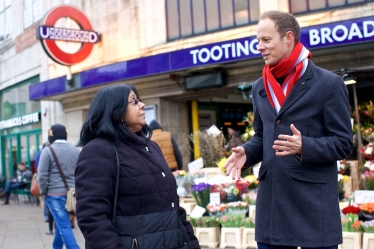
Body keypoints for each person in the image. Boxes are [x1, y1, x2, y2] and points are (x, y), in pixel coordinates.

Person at [224, 10, 353, 249]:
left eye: (266, 40)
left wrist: (305, 146)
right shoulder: (259, 87)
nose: (259, 47)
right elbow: (263, 136)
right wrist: (247, 152)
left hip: (313, 213)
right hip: (272, 214)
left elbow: (344, 143)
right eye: (257, 40)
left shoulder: (329, 84)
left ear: (288, 38)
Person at [75, 84, 200, 249]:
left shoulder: (152, 146)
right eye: (134, 102)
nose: (142, 105)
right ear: (115, 112)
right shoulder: (98, 150)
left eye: (139, 100)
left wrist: (191, 244)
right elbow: (92, 218)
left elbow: (174, 208)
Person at [37, 124, 80, 249]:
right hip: (72, 194)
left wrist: (43, 193)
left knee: (64, 226)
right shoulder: (75, 150)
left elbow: (42, 175)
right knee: (61, 224)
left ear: (52, 135)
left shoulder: (48, 150)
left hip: (54, 194)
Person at [35, 141, 51, 223]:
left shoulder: (40, 153)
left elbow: (37, 166)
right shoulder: (44, 153)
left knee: (45, 199)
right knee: (45, 199)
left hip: (45, 180)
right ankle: (47, 216)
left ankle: (47, 216)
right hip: (48, 181)